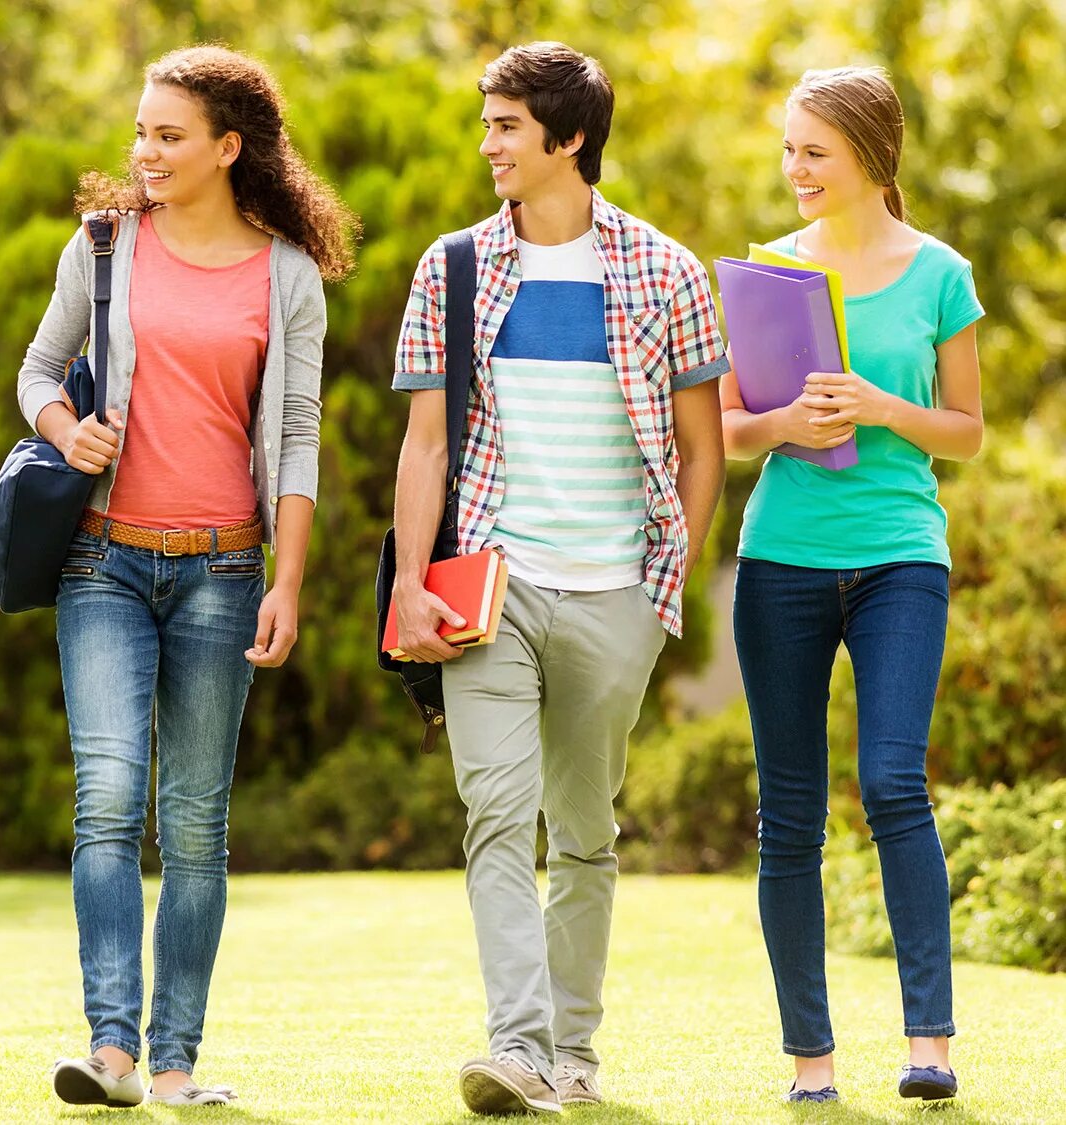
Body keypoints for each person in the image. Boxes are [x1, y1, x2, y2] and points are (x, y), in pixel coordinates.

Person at [390, 41, 727, 1116]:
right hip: (491, 585)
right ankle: (520, 1047)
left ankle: (573, 1054)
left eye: (505, 125)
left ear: (568, 138)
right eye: (485, 123)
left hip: (616, 590)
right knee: (497, 813)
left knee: (584, 830)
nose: (486, 143)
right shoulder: (452, 268)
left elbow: (701, 447)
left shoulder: (668, 271)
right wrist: (409, 582)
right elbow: (425, 445)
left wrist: (658, 590)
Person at [15, 45, 356, 1109]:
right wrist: (66, 428)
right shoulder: (105, 248)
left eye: (170, 135)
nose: (146, 152)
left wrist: (286, 583)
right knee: (110, 800)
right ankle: (110, 1052)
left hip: (222, 569)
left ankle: (175, 1065)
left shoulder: (286, 276)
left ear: (227, 147)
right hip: (101, 561)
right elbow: (35, 370)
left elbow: (295, 439)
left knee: (197, 821)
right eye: (141, 132)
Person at [720, 66, 984, 1105]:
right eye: (788, 150)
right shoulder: (766, 274)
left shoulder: (940, 276)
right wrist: (784, 426)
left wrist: (880, 405)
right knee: (789, 816)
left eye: (813, 152)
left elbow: (964, 431)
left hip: (899, 556)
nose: (794, 170)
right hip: (782, 556)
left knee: (891, 781)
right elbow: (731, 429)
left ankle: (930, 1045)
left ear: (871, 158)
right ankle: (811, 1063)